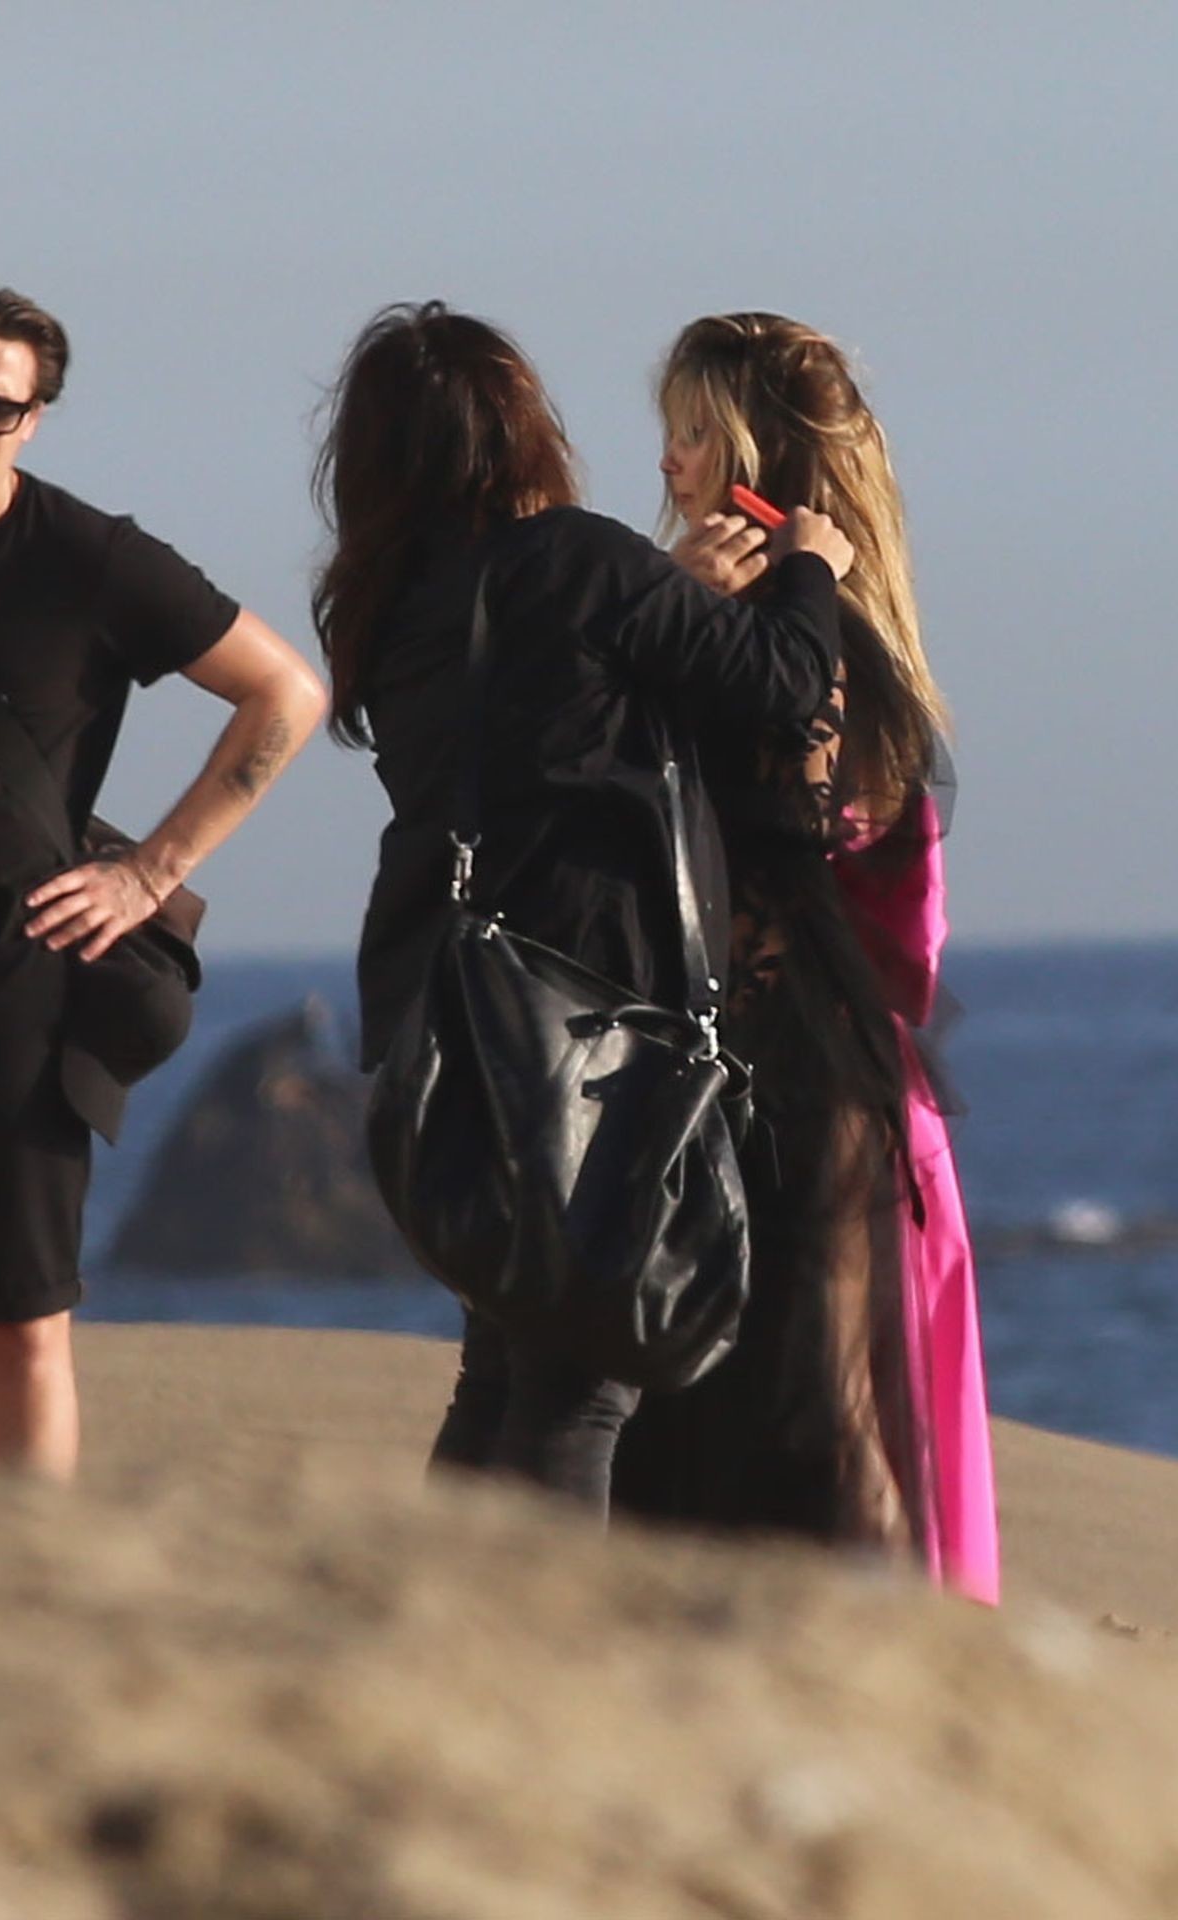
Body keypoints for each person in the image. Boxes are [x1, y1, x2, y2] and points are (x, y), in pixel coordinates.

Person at [310, 302, 855, 1523]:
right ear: (520, 430)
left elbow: (551, 720)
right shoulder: (577, 560)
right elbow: (783, 686)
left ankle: (437, 1615)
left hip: (443, 1016)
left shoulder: (386, 601)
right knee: (582, 1384)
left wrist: (666, 598)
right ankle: (533, 1636)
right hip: (588, 1021)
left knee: (502, 1364)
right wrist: (811, 568)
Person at [611, 312, 1000, 1602]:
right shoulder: (854, 643)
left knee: (815, 1421)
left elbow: (764, 829)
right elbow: (910, 930)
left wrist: (673, 619)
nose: (666, 460)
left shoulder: (792, 647)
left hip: (780, 1072)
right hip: (824, 1065)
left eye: (689, 432)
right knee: (818, 1414)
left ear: (752, 457)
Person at [0, 279, 327, 1479]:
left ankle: (33, 1572)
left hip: (13, 978)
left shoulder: (86, 556)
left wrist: (150, 870)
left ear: (32, 419)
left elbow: (285, 693)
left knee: (21, 1323)